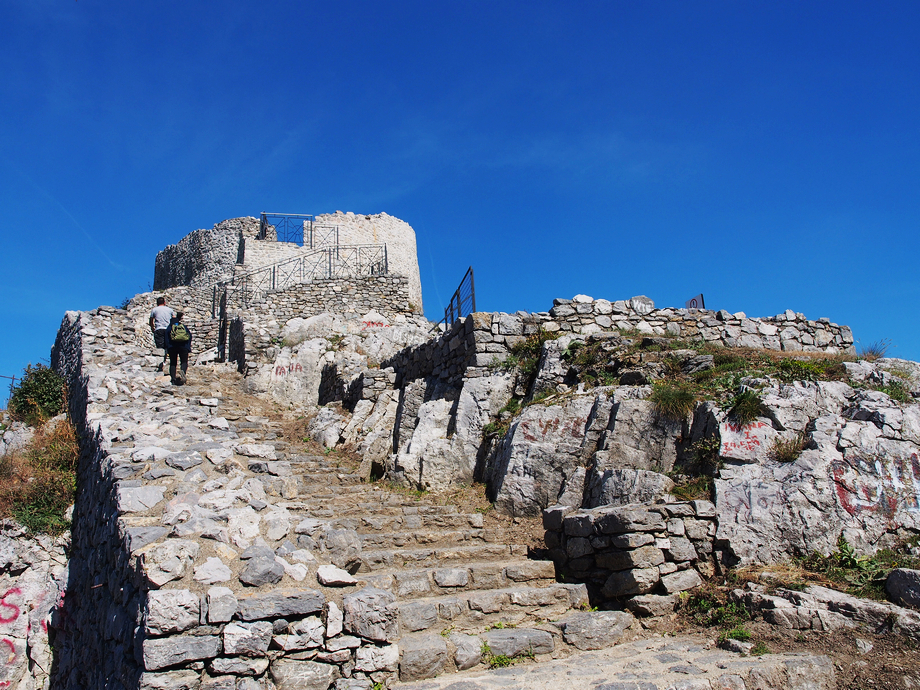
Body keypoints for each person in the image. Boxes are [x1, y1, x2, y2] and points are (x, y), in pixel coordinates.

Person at [165, 311, 193, 385]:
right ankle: (183, 371)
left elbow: (166, 338)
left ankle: (173, 380)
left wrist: (167, 348)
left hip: (172, 347)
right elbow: (189, 335)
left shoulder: (169, 327)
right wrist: (188, 347)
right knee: (184, 361)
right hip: (184, 346)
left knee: (173, 363)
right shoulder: (183, 326)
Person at [149, 297, 174, 371]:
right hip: (168, 329)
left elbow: (151, 320)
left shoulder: (154, 310)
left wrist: (152, 327)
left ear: (157, 303)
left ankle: (160, 364)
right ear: (164, 302)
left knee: (160, 347)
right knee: (168, 346)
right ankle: (168, 362)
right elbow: (174, 318)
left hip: (159, 329)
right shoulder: (169, 310)